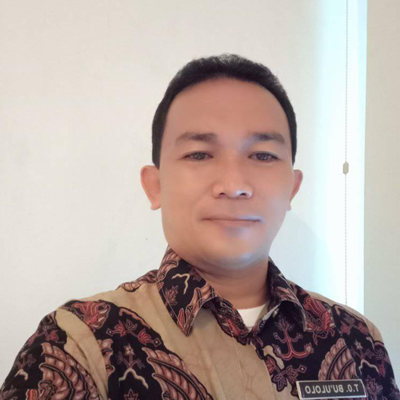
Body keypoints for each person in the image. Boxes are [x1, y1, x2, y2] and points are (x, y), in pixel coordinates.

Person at [1, 54, 398, 400]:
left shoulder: (356, 338)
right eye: (199, 154)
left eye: (263, 155)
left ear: (292, 188)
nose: (234, 185)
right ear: (155, 185)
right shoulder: (78, 343)